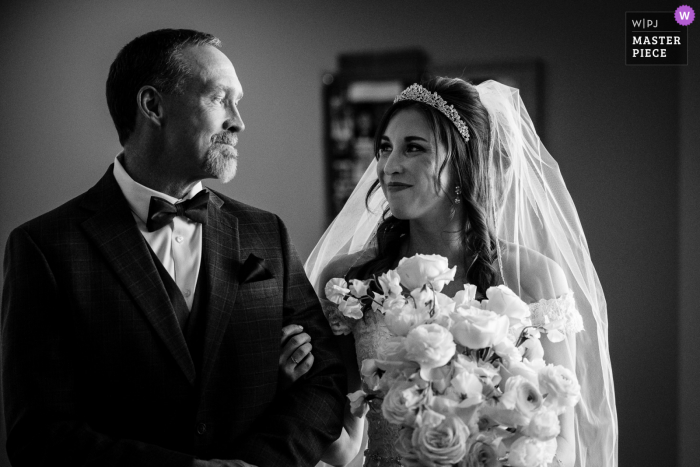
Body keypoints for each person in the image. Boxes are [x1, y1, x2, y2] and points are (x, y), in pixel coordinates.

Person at [1, 28, 346, 466]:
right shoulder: (45, 248)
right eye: (220, 98)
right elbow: (39, 435)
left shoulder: (265, 232)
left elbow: (326, 380)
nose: (238, 121)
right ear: (153, 106)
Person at [296, 77, 618, 467]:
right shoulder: (349, 282)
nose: (388, 166)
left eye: (413, 148)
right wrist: (294, 383)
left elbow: (562, 440)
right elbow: (344, 449)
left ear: (465, 163)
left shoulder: (534, 278)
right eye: (385, 148)